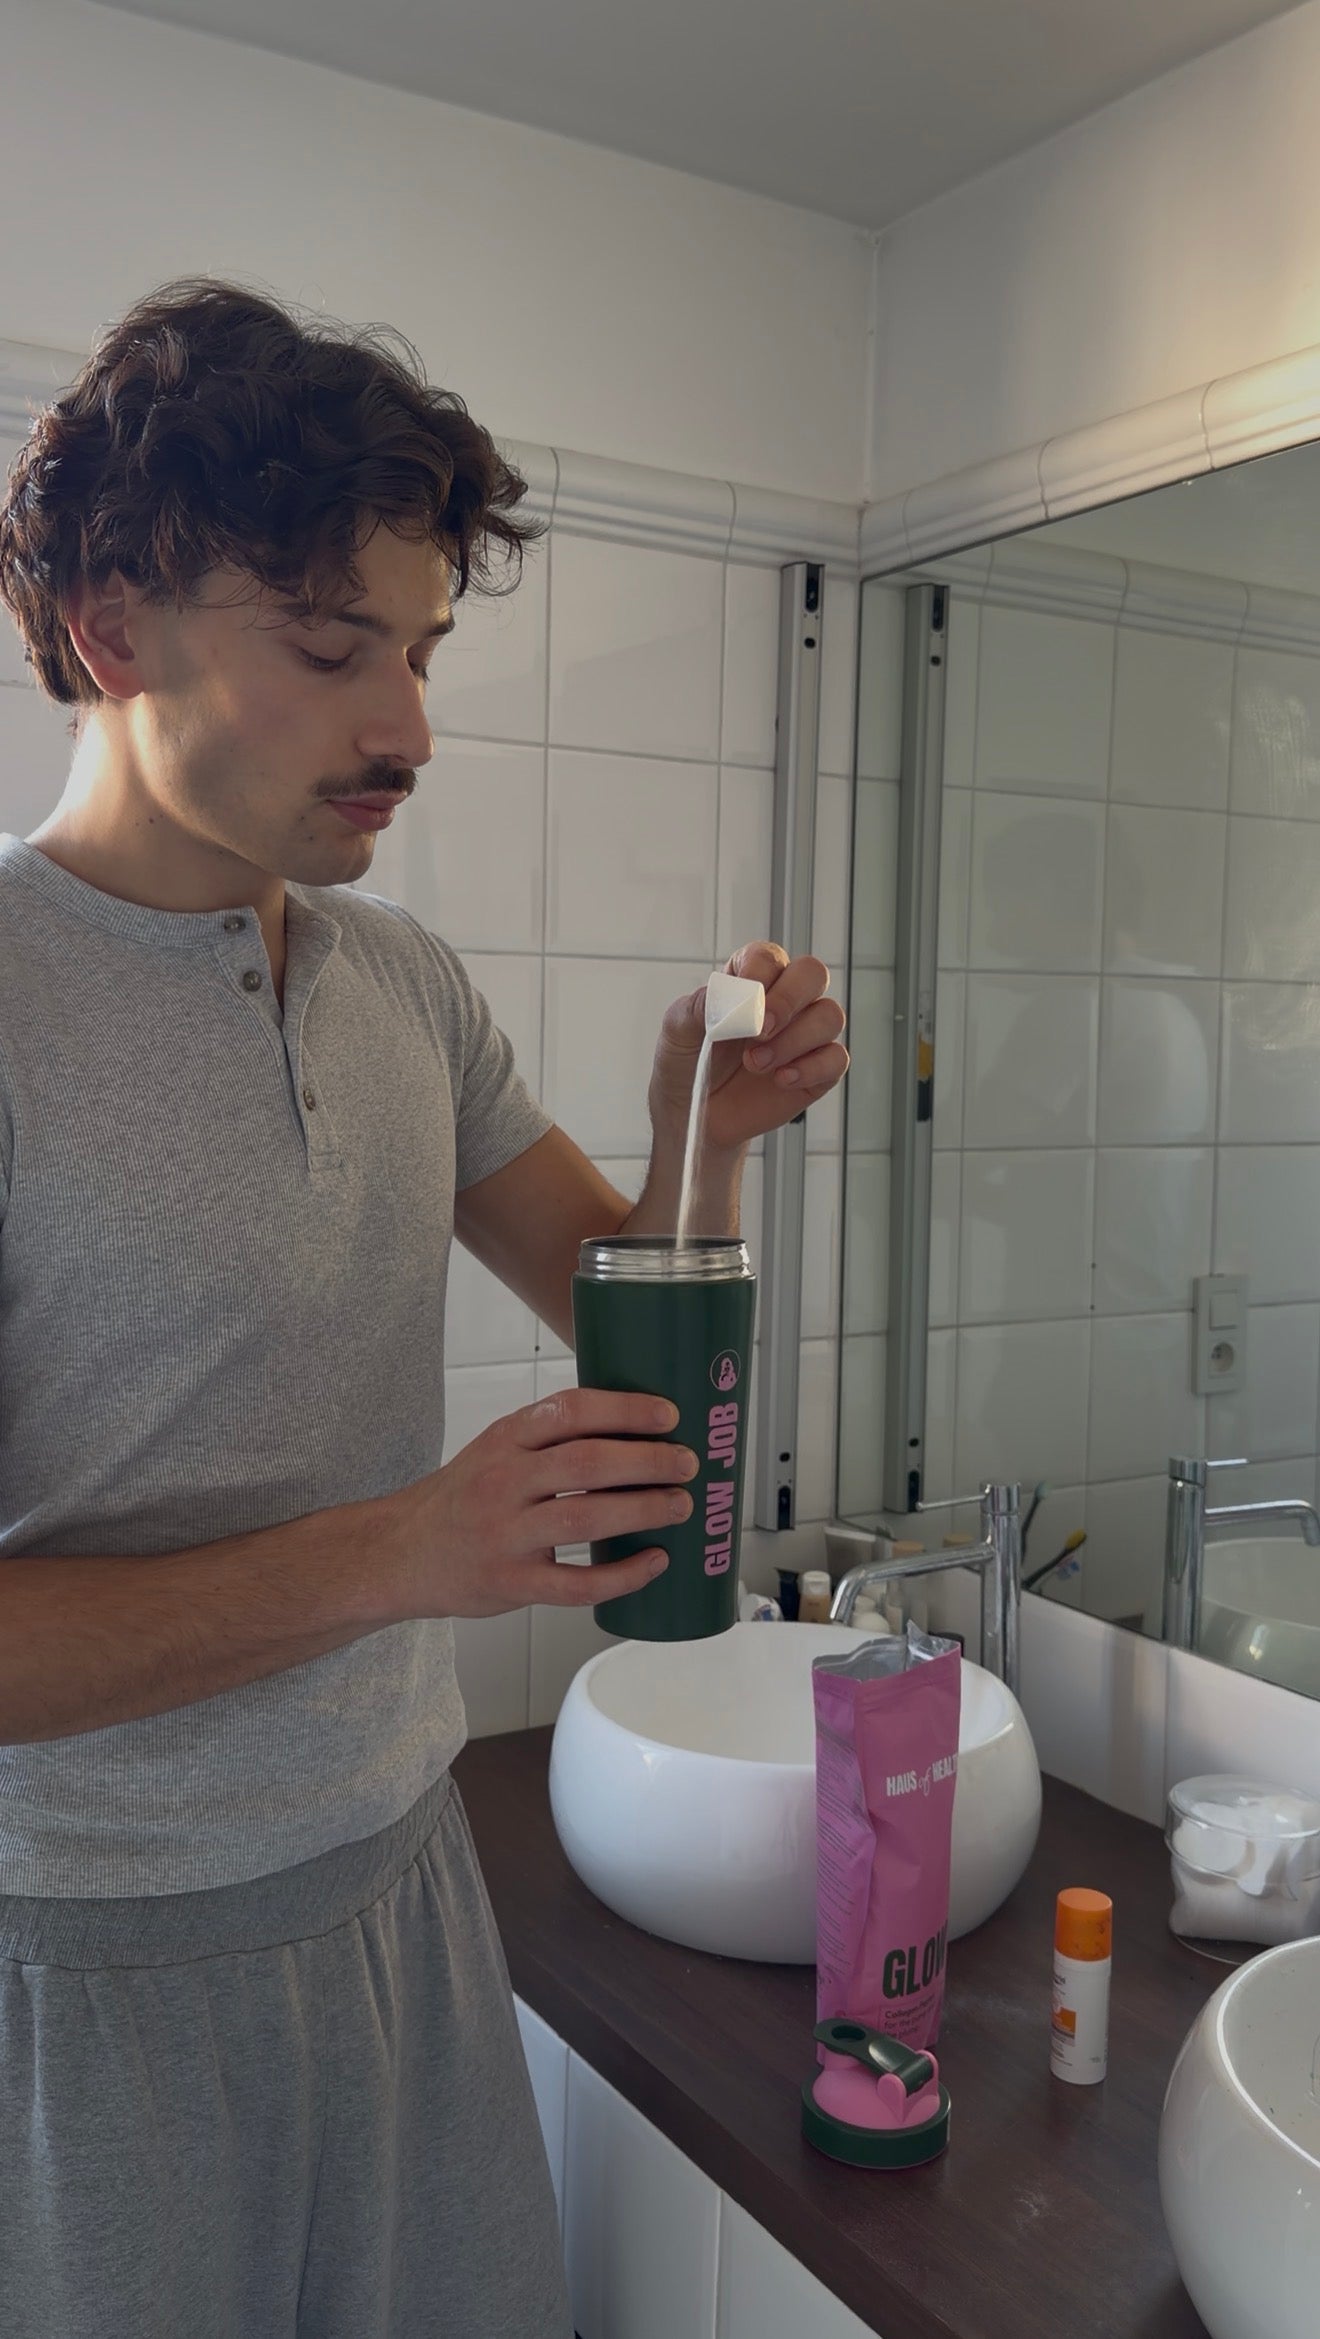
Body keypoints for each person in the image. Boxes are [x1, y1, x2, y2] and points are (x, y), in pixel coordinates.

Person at [0, 277, 849, 2339]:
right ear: (111, 632)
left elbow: (627, 1317)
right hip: (80, 1963)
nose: (409, 727)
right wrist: (406, 1552)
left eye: (422, 647)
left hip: (403, 1878)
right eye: (330, 646)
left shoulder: (405, 986)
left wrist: (703, 1135)